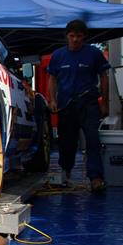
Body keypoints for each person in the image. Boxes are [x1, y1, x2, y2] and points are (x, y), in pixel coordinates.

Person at [47, 19, 109, 192]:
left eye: (79, 36)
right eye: (72, 36)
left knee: (92, 140)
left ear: (84, 37)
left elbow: (104, 77)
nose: (75, 39)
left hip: (88, 102)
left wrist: (104, 102)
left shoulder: (94, 53)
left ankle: (96, 178)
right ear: (67, 36)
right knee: (67, 142)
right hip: (66, 104)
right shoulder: (58, 55)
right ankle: (65, 173)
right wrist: (52, 100)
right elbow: (52, 78)